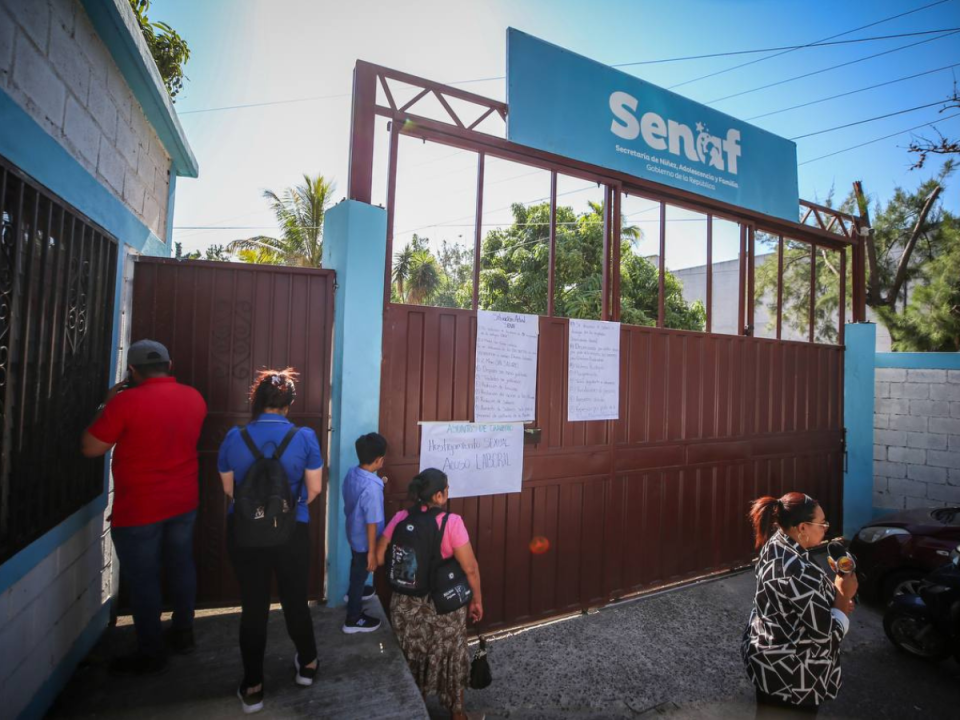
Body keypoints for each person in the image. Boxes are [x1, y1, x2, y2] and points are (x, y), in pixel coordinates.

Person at [81, 339, 207, 674]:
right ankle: (183, 633)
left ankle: (151, 652)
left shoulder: (125, 403)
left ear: (132, 371)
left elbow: (91, 448)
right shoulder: (194, 398)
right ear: (170, 364)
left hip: (139, 508)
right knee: (181, 567)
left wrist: (105, 405)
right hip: (183, 501)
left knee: (144, 579)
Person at [217, 368, 324, 714]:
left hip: (246, 534)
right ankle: (307, 665)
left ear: (258, 400)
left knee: (253, 607)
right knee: (295, 601)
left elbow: (230, 490)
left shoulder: (235, 437)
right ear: (290, 403)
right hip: (291, 532)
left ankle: (253, 688)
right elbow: (315, 489)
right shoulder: (304, 437)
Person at [375, 469, 483, 720]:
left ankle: (416, 706)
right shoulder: (451, 522)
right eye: (446, 488)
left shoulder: (401, 517)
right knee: (451, 655)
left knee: (413, 657)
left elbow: (380, 556)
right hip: (442, 607)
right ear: (438, 495)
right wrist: (476, 600)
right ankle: (457, 713)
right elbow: (470, 568)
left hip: (405, 608)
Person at [741, 492, 858, 717]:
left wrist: (830, 603)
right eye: (822, 523)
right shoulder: (798, 572)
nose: (826, 527)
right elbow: (826, 635)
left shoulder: (776, 543)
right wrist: (842, 598)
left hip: (767, 657)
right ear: (802, 528)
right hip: (792, 676)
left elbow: (793, 601)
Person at [342, 432, 389, 634]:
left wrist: (381, 482)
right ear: (379, 460)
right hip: (365, 541)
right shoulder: (372, 488)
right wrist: (372, 551)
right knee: (361, 571)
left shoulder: (353, 474)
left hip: (354, 534)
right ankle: (353, 618)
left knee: (356, 566)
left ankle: (355, 591)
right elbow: (372, 522)